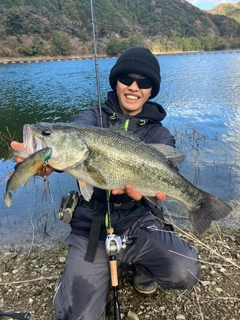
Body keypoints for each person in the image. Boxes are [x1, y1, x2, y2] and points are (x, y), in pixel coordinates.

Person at [11, 46, 201, 320]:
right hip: (92, 226)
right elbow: (65, 143)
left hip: (138, 220)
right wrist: (40, 165)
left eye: (144, 82)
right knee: (75, 314)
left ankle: (143, 264)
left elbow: (167, 164)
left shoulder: (159, 132)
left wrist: (163, 192)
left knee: (184, 270)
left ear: (151, 90)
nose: (134, 87)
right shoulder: (89, 120)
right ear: (115, 82)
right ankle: (71, 287)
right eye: (126, 78)